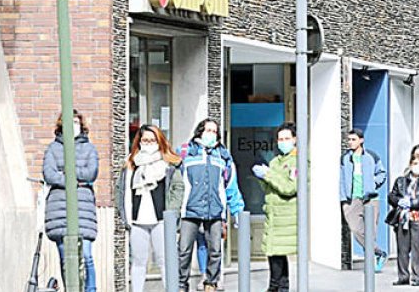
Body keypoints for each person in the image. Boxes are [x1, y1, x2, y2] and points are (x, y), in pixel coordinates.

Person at [177, 119, 245, 292]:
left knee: (215, 250)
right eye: (207, 130)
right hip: (189, 211)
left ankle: (211, 283)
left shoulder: (223, 156)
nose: (211, 134)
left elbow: (231, 186)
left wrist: (237, 211)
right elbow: (175, 185)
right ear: (199, 131)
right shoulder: (186, 153)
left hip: (215, 210)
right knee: (184, 250)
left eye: (214, 131)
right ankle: (180, 285)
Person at [118, 124, 181, 292]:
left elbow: (177, 188)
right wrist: (124, 215)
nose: (148, 143)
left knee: (165, 260)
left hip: (161, 219)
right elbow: (121, 190)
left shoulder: (168, 163)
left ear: (159, 141)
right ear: (138, 142)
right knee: (138, 261)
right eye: (145, 140)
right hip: (138, 219)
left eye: (152, 140)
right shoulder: (131, 163)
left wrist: (172, 213)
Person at [43, 109, 100, 292]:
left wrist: (68, 174)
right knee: (65, 257)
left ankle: (90, 289)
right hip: (59, 208)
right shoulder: (53, 148)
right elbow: (49, 174)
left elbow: (92, 172)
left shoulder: (89, 148)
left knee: (86, 255)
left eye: (76, 123)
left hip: (83, 208)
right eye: (70, 123)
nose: (73, 127)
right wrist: (74, 178)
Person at [252, 123, 299, 292]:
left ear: (294, 139)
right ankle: (276, 287)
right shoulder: (275, 161)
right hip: (273, 215)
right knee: (274, 255)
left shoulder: (298, 161)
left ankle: (277, 288)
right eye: (280, 139)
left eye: (287, 138)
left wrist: (268, 174)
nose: (283, 142)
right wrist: (261, 177)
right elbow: (268, 188)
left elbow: (290, 188)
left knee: (278, 255)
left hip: (286, 217)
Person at [386, 147, 419, 287]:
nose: (418, 166)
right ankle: (403, 276)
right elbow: (392, 196)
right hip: (402, 218)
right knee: (402, 249)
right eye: (415, 163)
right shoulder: (401, 180)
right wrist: (399, 201)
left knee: (418, 249)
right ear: (410, 164)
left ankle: (417, 277)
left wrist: (413, 203)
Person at [339, 129, 388, 273]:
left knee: (370, 231)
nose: (350, 142)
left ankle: (371, 264)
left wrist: (373, 184)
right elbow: (341, 179)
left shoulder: (371, 156)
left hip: (370, 199)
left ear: (361, 140)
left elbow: (382, 173)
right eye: (349, 139)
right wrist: (343, 198)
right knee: (355, 229)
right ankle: (379, 252)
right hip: (351, 199)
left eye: (353, 139)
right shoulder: (344, 158)